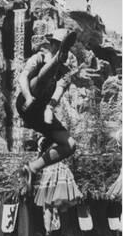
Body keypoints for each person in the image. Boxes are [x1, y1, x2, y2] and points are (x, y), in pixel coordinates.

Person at [16, 28, 77, 183]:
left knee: (70, 145)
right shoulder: (39, 57)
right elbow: (23, 77)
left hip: (42, 110)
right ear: (52, 44)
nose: (60, 48)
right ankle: (55, 61)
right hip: (27, 101)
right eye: (58, 45)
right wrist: (28, 97)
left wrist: (50, 108)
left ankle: (32, 168)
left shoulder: (65, 72)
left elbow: (59, 90)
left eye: (64, 48)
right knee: (43, 79)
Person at [34, 139, 82, 236]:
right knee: (60, 203)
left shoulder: (43, 141)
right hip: (59, 170)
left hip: (51, 171)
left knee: (49, 203)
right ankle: (63, 233)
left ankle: (49, 233)